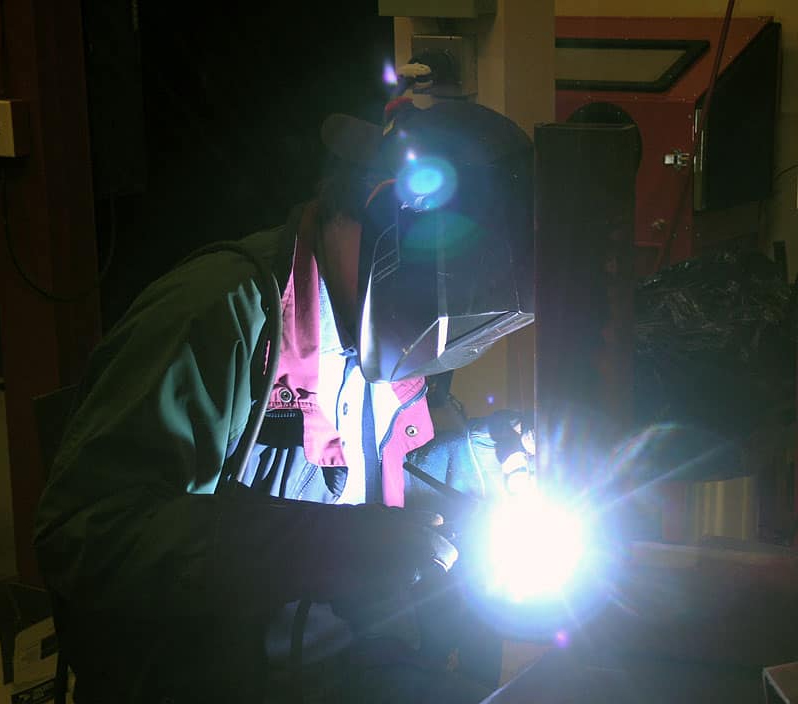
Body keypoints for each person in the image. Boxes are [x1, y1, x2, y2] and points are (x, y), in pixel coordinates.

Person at [33, 97, 536, 703]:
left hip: (357, 665)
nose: (446, 311)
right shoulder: (221, 314)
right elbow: (85, 537)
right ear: (373, 223)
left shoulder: (388, 334)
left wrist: (473, 460)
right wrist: (328, 546)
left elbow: (367, 489)